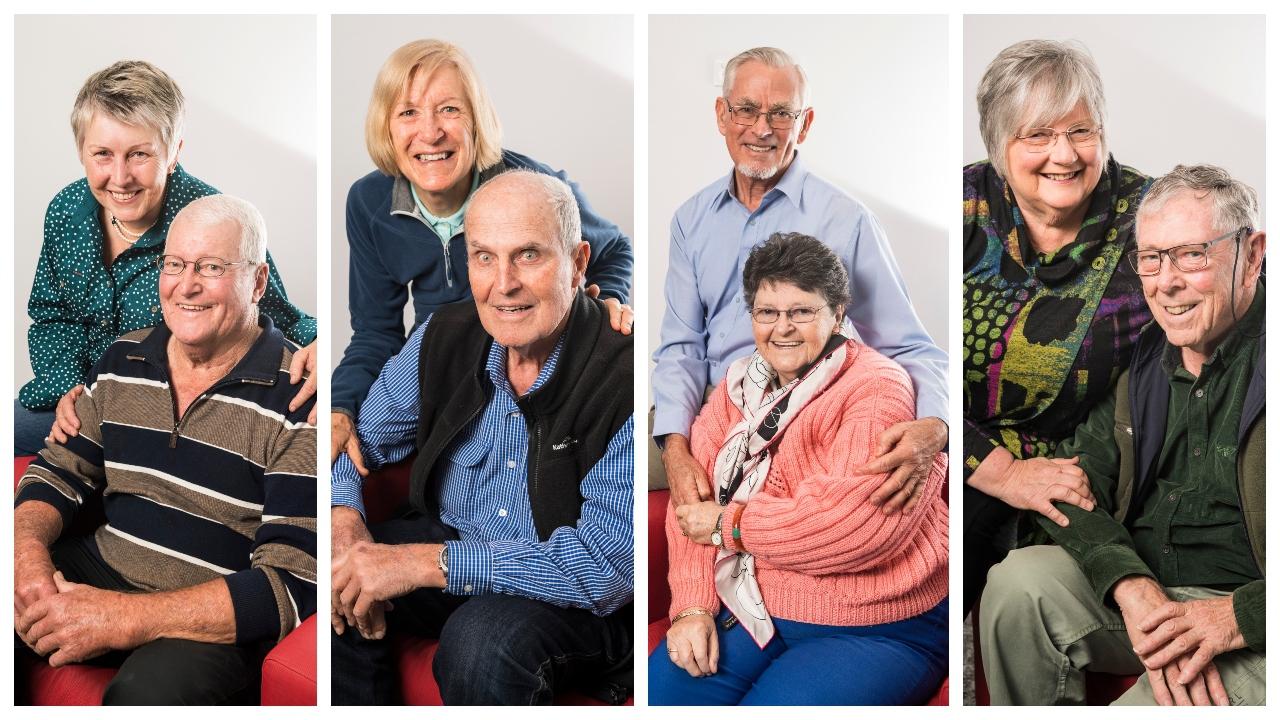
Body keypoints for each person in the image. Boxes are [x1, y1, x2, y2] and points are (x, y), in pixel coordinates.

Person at [329, 170, 633, 705]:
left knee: (481, 642)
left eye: (529, 256)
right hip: (456, 545)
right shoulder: (446, 334)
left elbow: (604, 568)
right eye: (484, 257)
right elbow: (354, 443)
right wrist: (344, 521)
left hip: (572, 599)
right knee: (338, 569)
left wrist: (424, 564)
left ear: (579, 262)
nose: (503, 283)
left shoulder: (624, 375)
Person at [979, 165, 1266, 706]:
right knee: (1020, 585)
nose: (1166, 282)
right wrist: (1131, 588)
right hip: (1153, 594)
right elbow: (1070, 482)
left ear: (1252, 255)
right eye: (1152, 258)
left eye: (1191, 254)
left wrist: (1239, 617)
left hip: (1252, 620)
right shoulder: (1148, 358)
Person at [14, 195, 318, 705]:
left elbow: (288, 583)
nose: (186, 284)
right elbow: (56, 472)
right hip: (104, 568)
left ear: (258, 282)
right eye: (174, 264)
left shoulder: (299, 397)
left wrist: (117, 619)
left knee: (148, 696)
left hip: (205, 618)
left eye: (211, 267)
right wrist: (27, 564)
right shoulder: (123, 358)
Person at [649, 233, 948, 705]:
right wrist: (690, 607)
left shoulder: (876, 389)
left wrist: (731, 525)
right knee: (664, 697)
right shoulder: (736, 388)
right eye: (767, 312)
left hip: (877, 619)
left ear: (838, 314)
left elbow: (860, 528)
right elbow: (692, 504)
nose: (782, 328)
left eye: (802, 311)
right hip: (757, 602)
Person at [652, 46, 947, 521]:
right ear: (722, 115)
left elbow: (910, 348)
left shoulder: (848, 221)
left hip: (804, 413)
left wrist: (935, 426)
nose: (761, 128)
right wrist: (674, 444)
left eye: (781, 114)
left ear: (804, 124)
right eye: (746, 109)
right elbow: (680, 347)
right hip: (711, 411)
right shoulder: (691, 219)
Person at [331, 39, 634, 469]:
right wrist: (341, 407)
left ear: (477, 120)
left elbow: (614, 248)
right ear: (386, 127)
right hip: (438, 366)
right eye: (408, 112)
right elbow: (375, 333)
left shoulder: (530, 188)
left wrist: (605, 300)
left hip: (528, 364)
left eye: (449, 110)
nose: (430, 132)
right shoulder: (368, 203)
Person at [18, 60, 317, 455]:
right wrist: (69, 388)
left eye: (139, 155)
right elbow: (53, 314)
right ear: (80, 151)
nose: (120, 177)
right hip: (80, 395)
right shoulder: (66, 210)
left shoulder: (212, 219)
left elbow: (276, 316)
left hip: (166, 410)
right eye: (103, 154)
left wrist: (319, 344)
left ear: (174, 151)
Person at [962, 39, 1155, 612]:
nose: (1064, 156)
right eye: (1037, 135)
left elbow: (1236, 287)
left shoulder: (1149, 216)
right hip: (955, 453)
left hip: (1080, 465)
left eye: (1080, 132)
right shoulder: (963, 205)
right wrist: (997, 470)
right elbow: (913, 358)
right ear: (999, 147)